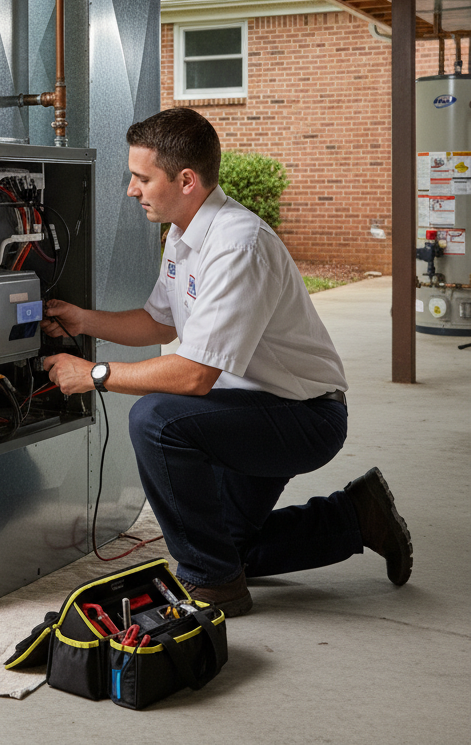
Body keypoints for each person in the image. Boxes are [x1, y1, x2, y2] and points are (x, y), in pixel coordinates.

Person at [41, 107, 412, 616]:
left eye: (142, 177)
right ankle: (356, 516)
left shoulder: (238, 244)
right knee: (221, 544)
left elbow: (194, 376)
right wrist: (84, 320)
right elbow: (161, 322)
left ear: (186, 180)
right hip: (246, 408)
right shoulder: (183, 233)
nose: (132, 190)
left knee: (154, 419)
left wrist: (95, 375)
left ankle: (215, 589)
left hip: (302, 417)